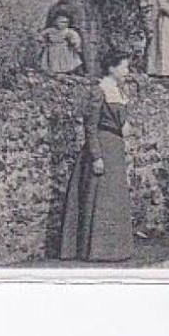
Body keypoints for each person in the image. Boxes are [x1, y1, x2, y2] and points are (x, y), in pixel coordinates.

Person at [58, 49, 134, 262]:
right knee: (99, 198)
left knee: (114, 198)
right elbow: (90, 127)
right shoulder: (99, 91)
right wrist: (96, 156)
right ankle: (94, 250)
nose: (127, 71)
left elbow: (123, 123)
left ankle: (115, 250)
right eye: (124, 66)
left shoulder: (120, 92)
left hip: (116, 148)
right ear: (111, 67)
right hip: (103, 147)